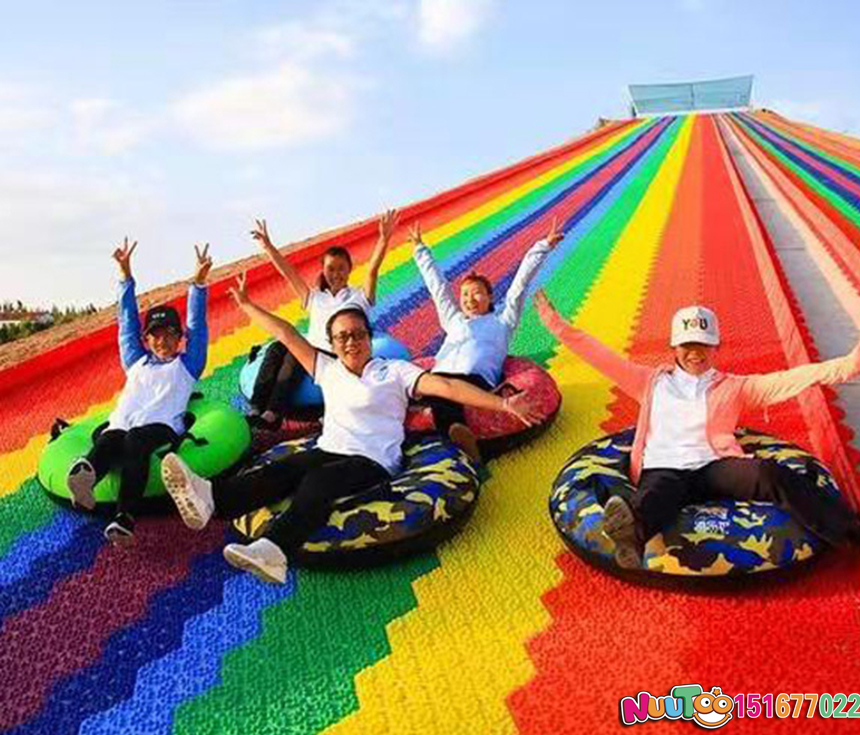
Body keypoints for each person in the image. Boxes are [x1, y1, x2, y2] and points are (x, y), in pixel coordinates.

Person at [160, 273, 541, 584]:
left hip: (373, 461)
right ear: (332, 342)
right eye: (342, 336)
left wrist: (502, 404)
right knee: (283, 470)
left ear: (369, 338)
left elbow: (446, 387)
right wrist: (246, 305)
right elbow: (287, 335)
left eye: (358, 334)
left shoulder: (394, 371)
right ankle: (212, 499)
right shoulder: (327, 369)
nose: (351, 341)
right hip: (330, 448)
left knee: (318, 483)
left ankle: (274, 551)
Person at [535, 294, 860, 569]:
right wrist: (555, 323)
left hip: (714, 467)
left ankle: (859, 529)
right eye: (688, 345)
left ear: (715, 346)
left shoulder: (734, 387)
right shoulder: (650, 382)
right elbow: (597, 353)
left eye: (704, 345)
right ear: (674, 347)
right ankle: (630, 536)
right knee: (656, 495)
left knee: (769, 474)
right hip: (665, 467)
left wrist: (851, 364)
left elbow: (792, 379)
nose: (696, 353)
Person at [66, 237, 212, 545]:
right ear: (147, 340)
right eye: (155, 336)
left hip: (161, 427)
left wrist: (197, 285)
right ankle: (86, 478)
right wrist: (125, 276)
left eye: (169, 334)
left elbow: (198, 326)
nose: (162, 341)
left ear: (179, 337)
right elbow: (127, 324)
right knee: (111, 437)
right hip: (122, 424)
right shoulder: (136, 361)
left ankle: (125, 517)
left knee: (134, 439)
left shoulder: (187, 365)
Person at [410, 217, 565, 461]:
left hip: (474, 379)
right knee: (411, 387)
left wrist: (543, 246)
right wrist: (420, 250)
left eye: (477, 293)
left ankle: (461, 439)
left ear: (490, 297)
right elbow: (438, 288)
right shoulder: (453, 320)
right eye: (465, 295)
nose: (469, 299)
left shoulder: (503, 321)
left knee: (445, 399)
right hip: (436, 376)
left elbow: (520, 284)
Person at [246, 211, 397, 429]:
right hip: (310, 349)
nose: (336, 274)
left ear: (349, 269)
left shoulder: (359, 297)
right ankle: (256, 406)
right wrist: (268, 247)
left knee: (294, 355)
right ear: (324, 271)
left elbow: (372, 270)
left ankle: (273, 414)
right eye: (331, 269)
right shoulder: (315, 297)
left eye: (341, 268)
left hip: (334, 354)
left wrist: (383, 239)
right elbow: (289, 273)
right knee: (277, 347)